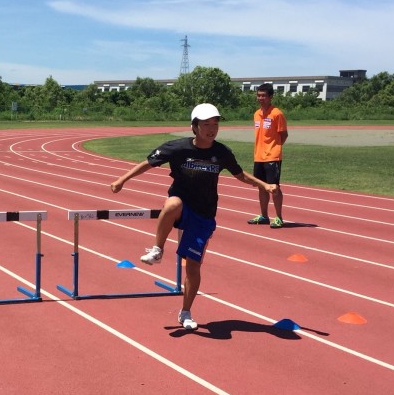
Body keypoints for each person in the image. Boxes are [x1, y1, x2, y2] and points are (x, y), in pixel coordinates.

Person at [109, 104, 275, 330]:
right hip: (182, 205)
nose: (212, 129)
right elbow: (146, 164)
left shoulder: (222, 152)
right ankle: (157, 249)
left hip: (204, 213)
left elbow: (240, 175)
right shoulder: (176, 148)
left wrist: (263, 184)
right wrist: (122, 180)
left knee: (193, 267)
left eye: (215, 124)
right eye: (206, 124)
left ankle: (185, 311)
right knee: (173, 202)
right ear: (194, 127)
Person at [247, 83, 288, 228]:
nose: (260, 98)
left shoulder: (277, 113)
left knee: (274, 188)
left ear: (270, 97)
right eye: (258, 95)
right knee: (261, 187)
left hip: (272, 156)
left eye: (264, 95)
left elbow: (283, 135)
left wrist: (274, 148)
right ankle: (264, 216)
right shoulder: (256, 114)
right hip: (258, 156)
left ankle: (279, 217)